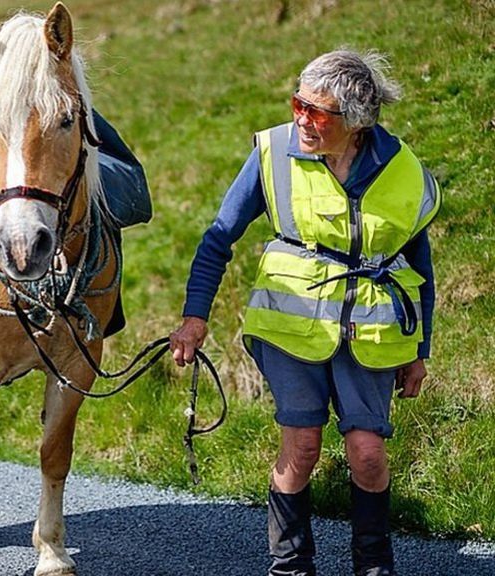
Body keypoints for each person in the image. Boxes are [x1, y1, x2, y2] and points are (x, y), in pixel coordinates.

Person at [170, 49, 439, 576]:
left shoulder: (403, 169)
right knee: (303, 444)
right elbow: (218, 238)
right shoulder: (273, 153)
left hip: (373, 332)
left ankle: (374, 567)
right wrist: (194, 318)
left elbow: (420, 265)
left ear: (356, 122)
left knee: (368, 453)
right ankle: (290, 567)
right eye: (299, 104)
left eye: (316, 112)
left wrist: (419, 350)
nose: (302, 119)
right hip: (289, 328)